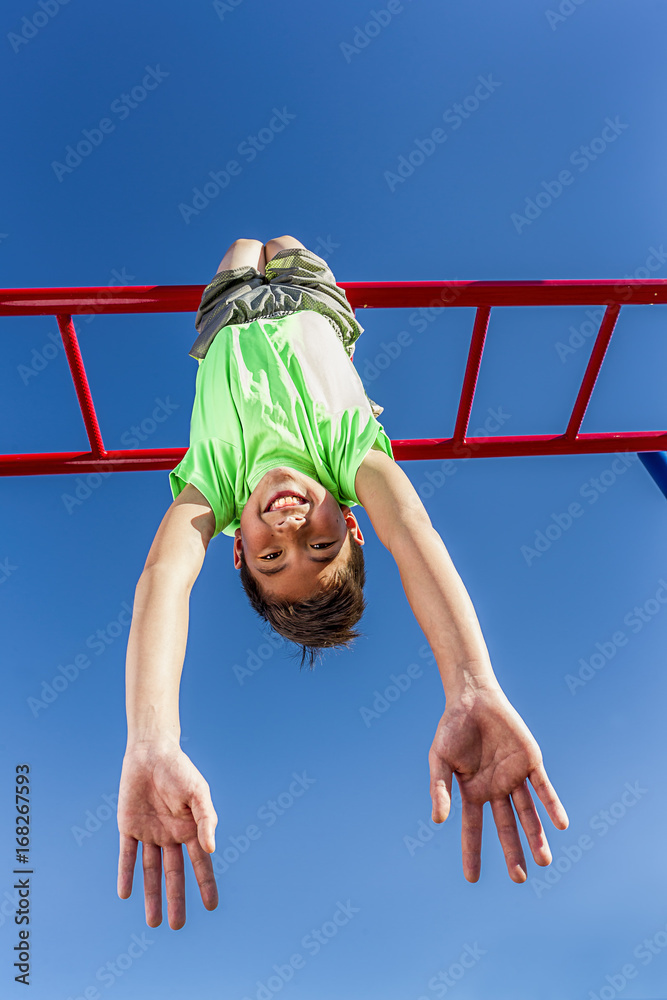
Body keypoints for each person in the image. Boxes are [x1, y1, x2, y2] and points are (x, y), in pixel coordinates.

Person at [116, 236, 568, 930]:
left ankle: (244, 256)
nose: (290, 531)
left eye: (272, 558)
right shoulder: (349, 455)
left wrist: (151, 740)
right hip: (311, 304)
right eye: (319, 544)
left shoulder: (216, 488)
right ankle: (290, 248)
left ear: (236, 550)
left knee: (239, 247)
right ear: (354, 525)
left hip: (227, 318)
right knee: (286, 244)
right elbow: (413, 532)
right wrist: (471, 683)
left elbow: (163, 581)